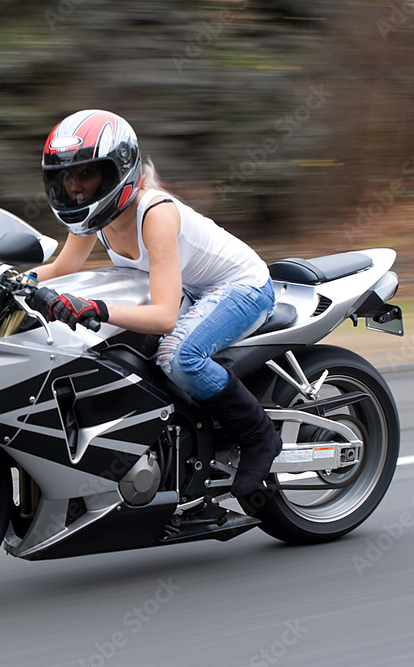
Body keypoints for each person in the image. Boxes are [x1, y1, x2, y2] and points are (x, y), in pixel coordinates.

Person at [30, 109, 281, 498]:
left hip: (240, 286)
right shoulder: (93, 217)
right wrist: (7, 280)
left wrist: (95, 308)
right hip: (191, 290)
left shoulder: (155, 214)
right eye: (67, 176)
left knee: (178, 357)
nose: (75, 188)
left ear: (118, 170)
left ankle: (260, 437)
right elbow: (64, 266)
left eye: (87, 174)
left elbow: (164, 316)